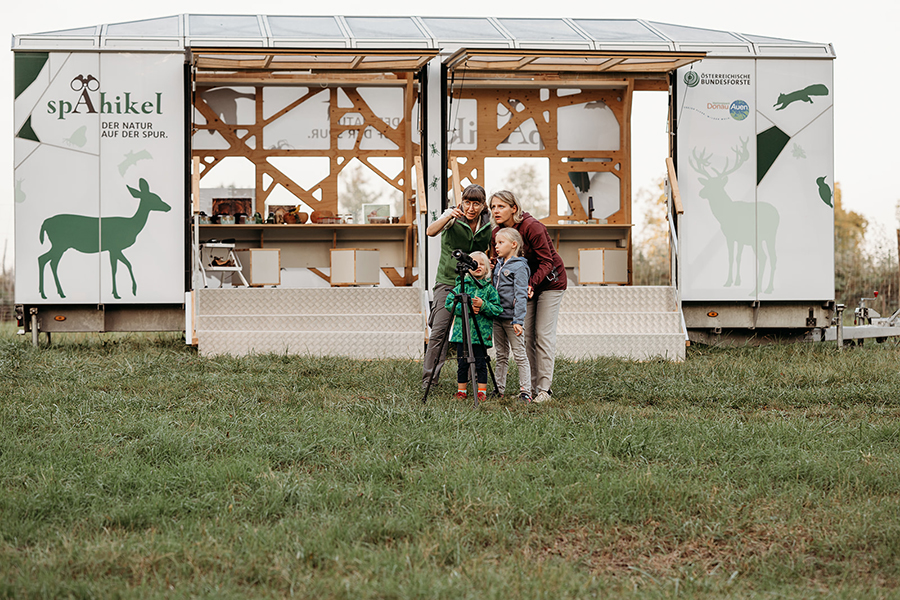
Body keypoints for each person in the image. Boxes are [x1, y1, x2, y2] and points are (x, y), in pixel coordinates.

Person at [489, 190, 567, 404]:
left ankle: (545, 390)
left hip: (550, 282)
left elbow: (547, 261)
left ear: (514, 208)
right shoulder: (498, 231)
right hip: (524, 285)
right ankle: (530, 389)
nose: (495, 210)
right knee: (527, 336)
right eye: (493, 207)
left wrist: (531, 284)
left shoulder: (533, 227)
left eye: (501, 206)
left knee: (542, 335)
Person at [422, 184, 493, 390]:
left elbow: (488, 248)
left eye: (476, 203)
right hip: (447, 281)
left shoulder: (488, 223)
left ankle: (471, 379)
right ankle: (429, 381)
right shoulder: (452, 215)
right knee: (440, 331)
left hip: (473, 284)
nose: (471, 208)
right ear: (462, 201)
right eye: (467, 202)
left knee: (471, 331)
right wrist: (448, 216)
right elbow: (430, 231)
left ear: (482, 204)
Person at [444, 251, 502, 403]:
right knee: (462, 364)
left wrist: (483, 306)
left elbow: (497, 309)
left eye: (482, 264)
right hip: (461, 334)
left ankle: (481, 392)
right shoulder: (460, 287)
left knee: (481, 363)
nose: (478, 266)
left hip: (480, 335)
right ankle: (461, 391)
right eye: (474, 263)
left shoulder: (489, 290)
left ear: (487, 268)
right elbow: (449, 304)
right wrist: (467, 308)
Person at [492, 227, 532, 403]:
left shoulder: (520, 267)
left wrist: (518, 320)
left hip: (512, 319)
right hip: (497, 317)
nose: (496, 247)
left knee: (520, 355)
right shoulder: (498, 265)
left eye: (501, 243)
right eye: (496, 243)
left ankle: (526, 391)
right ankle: (499, 389)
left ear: (514, 244)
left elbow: (521, 294)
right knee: (501, 354)